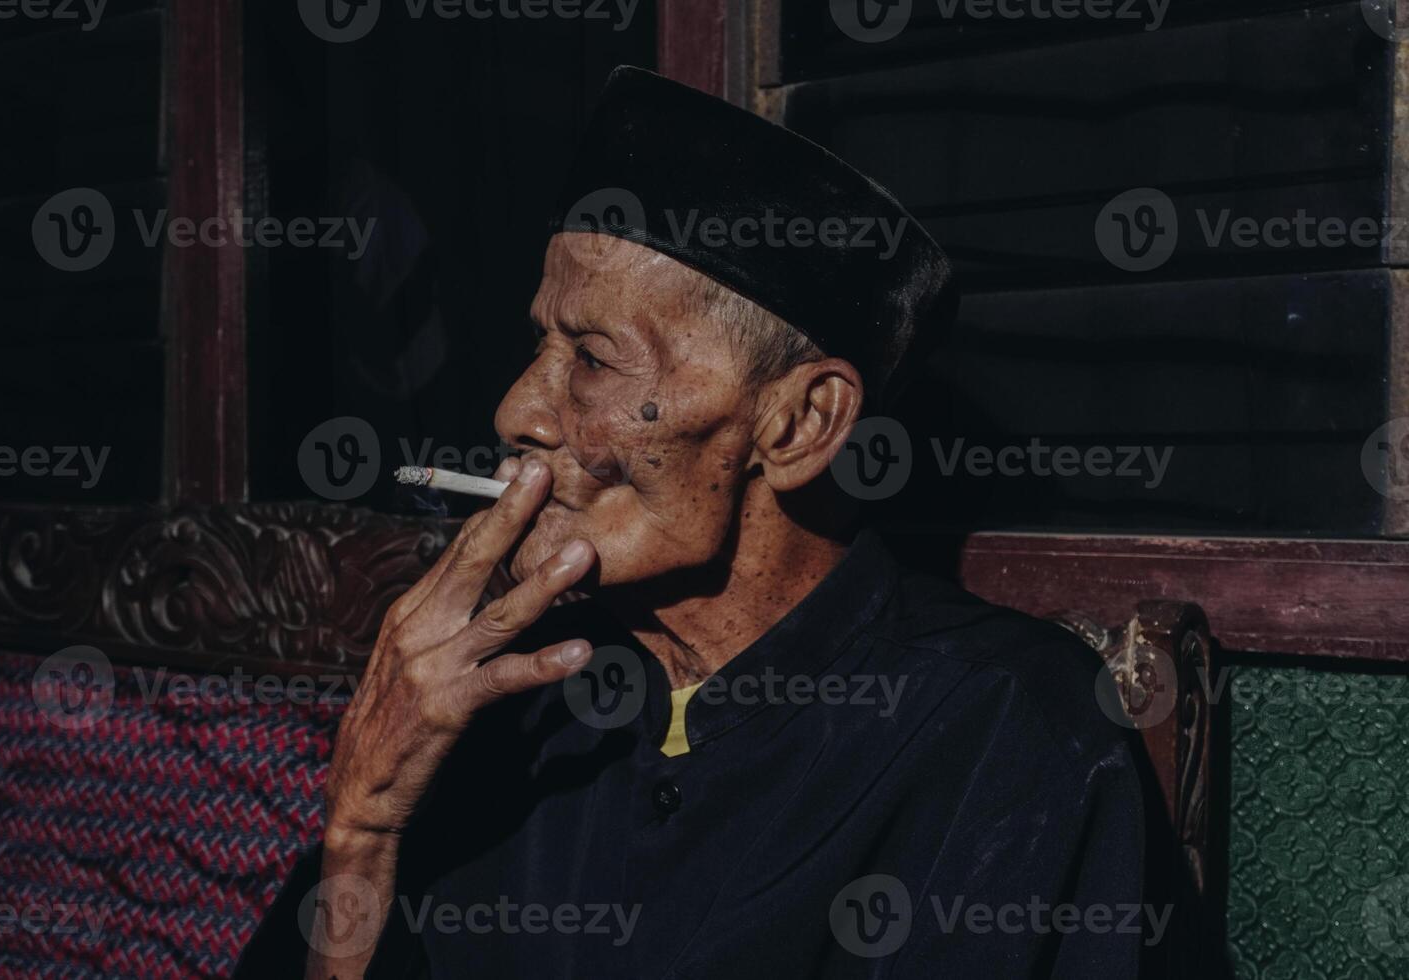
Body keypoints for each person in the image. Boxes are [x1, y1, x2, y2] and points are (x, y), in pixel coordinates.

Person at [234, 66, 1145, 979]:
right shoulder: (493, 705)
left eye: (592, 358)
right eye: (539, 345)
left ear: (799, 424)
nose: (518, 409)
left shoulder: (1005, 733)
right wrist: (362, 829)